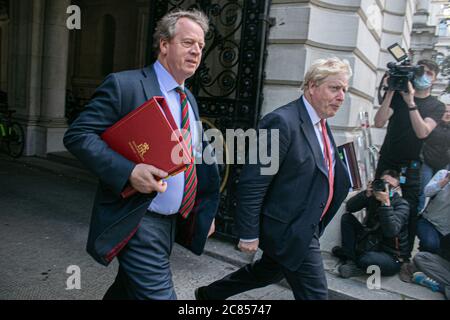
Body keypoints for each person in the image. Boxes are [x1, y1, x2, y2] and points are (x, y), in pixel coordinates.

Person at [63, 9, 220, 300]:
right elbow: (78, 135)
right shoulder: (125, 85)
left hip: (169, 224)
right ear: (164, 45)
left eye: (200, 45)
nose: (197, 51)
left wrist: (204, 211)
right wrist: (129, 172)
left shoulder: (189, 99)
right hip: (138, 219)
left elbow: (195, 161)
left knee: (127, 292)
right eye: (188, 43)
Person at [195, 57, 353, 300]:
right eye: (334, 88)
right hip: (290, 230)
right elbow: (253, 181)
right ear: (312, 86)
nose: (341, 96)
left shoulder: (321, 123)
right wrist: (248, 232)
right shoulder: (280, 121)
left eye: (344, 89)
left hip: (306, 223)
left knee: (266, 273)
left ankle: (209, 295)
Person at [374, 59, 446, 259]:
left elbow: (423, 132)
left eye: (429, 73)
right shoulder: (397, 96)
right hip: (388, 159)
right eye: (421, 71)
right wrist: (390, 91)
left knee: (410, 208)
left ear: (434, 78)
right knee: (378, 199)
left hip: (412, 165)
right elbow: (379, 122)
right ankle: (373, 244)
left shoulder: (436, 106)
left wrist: (411, 103)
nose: (424, 76)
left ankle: (403, 256)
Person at [332, 170, 410, 278]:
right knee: (347, 219)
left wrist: (386, 205)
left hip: (391, 255)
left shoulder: (402, 205)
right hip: (371, 242)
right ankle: (350, 259)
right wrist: (366, 194)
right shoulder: (373, 196)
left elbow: (391, 231)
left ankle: (354, 263)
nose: (385, 188)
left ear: (397, 189)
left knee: (367, 259)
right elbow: (350, 207)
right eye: (383, 183)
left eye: (390, 186)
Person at [418, 96, 450, 211]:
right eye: (446, 111)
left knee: (439, 192)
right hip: (427, 163)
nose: (448, 114)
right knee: (425, 191)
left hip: (444, 164)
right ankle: (420, 213)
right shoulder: (433, 125)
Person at [416, 169, 450, 253]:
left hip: (446, 231)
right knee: (431, 245)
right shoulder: (443, 174)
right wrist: (445, 180)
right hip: (429, 222)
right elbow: (427, 192)